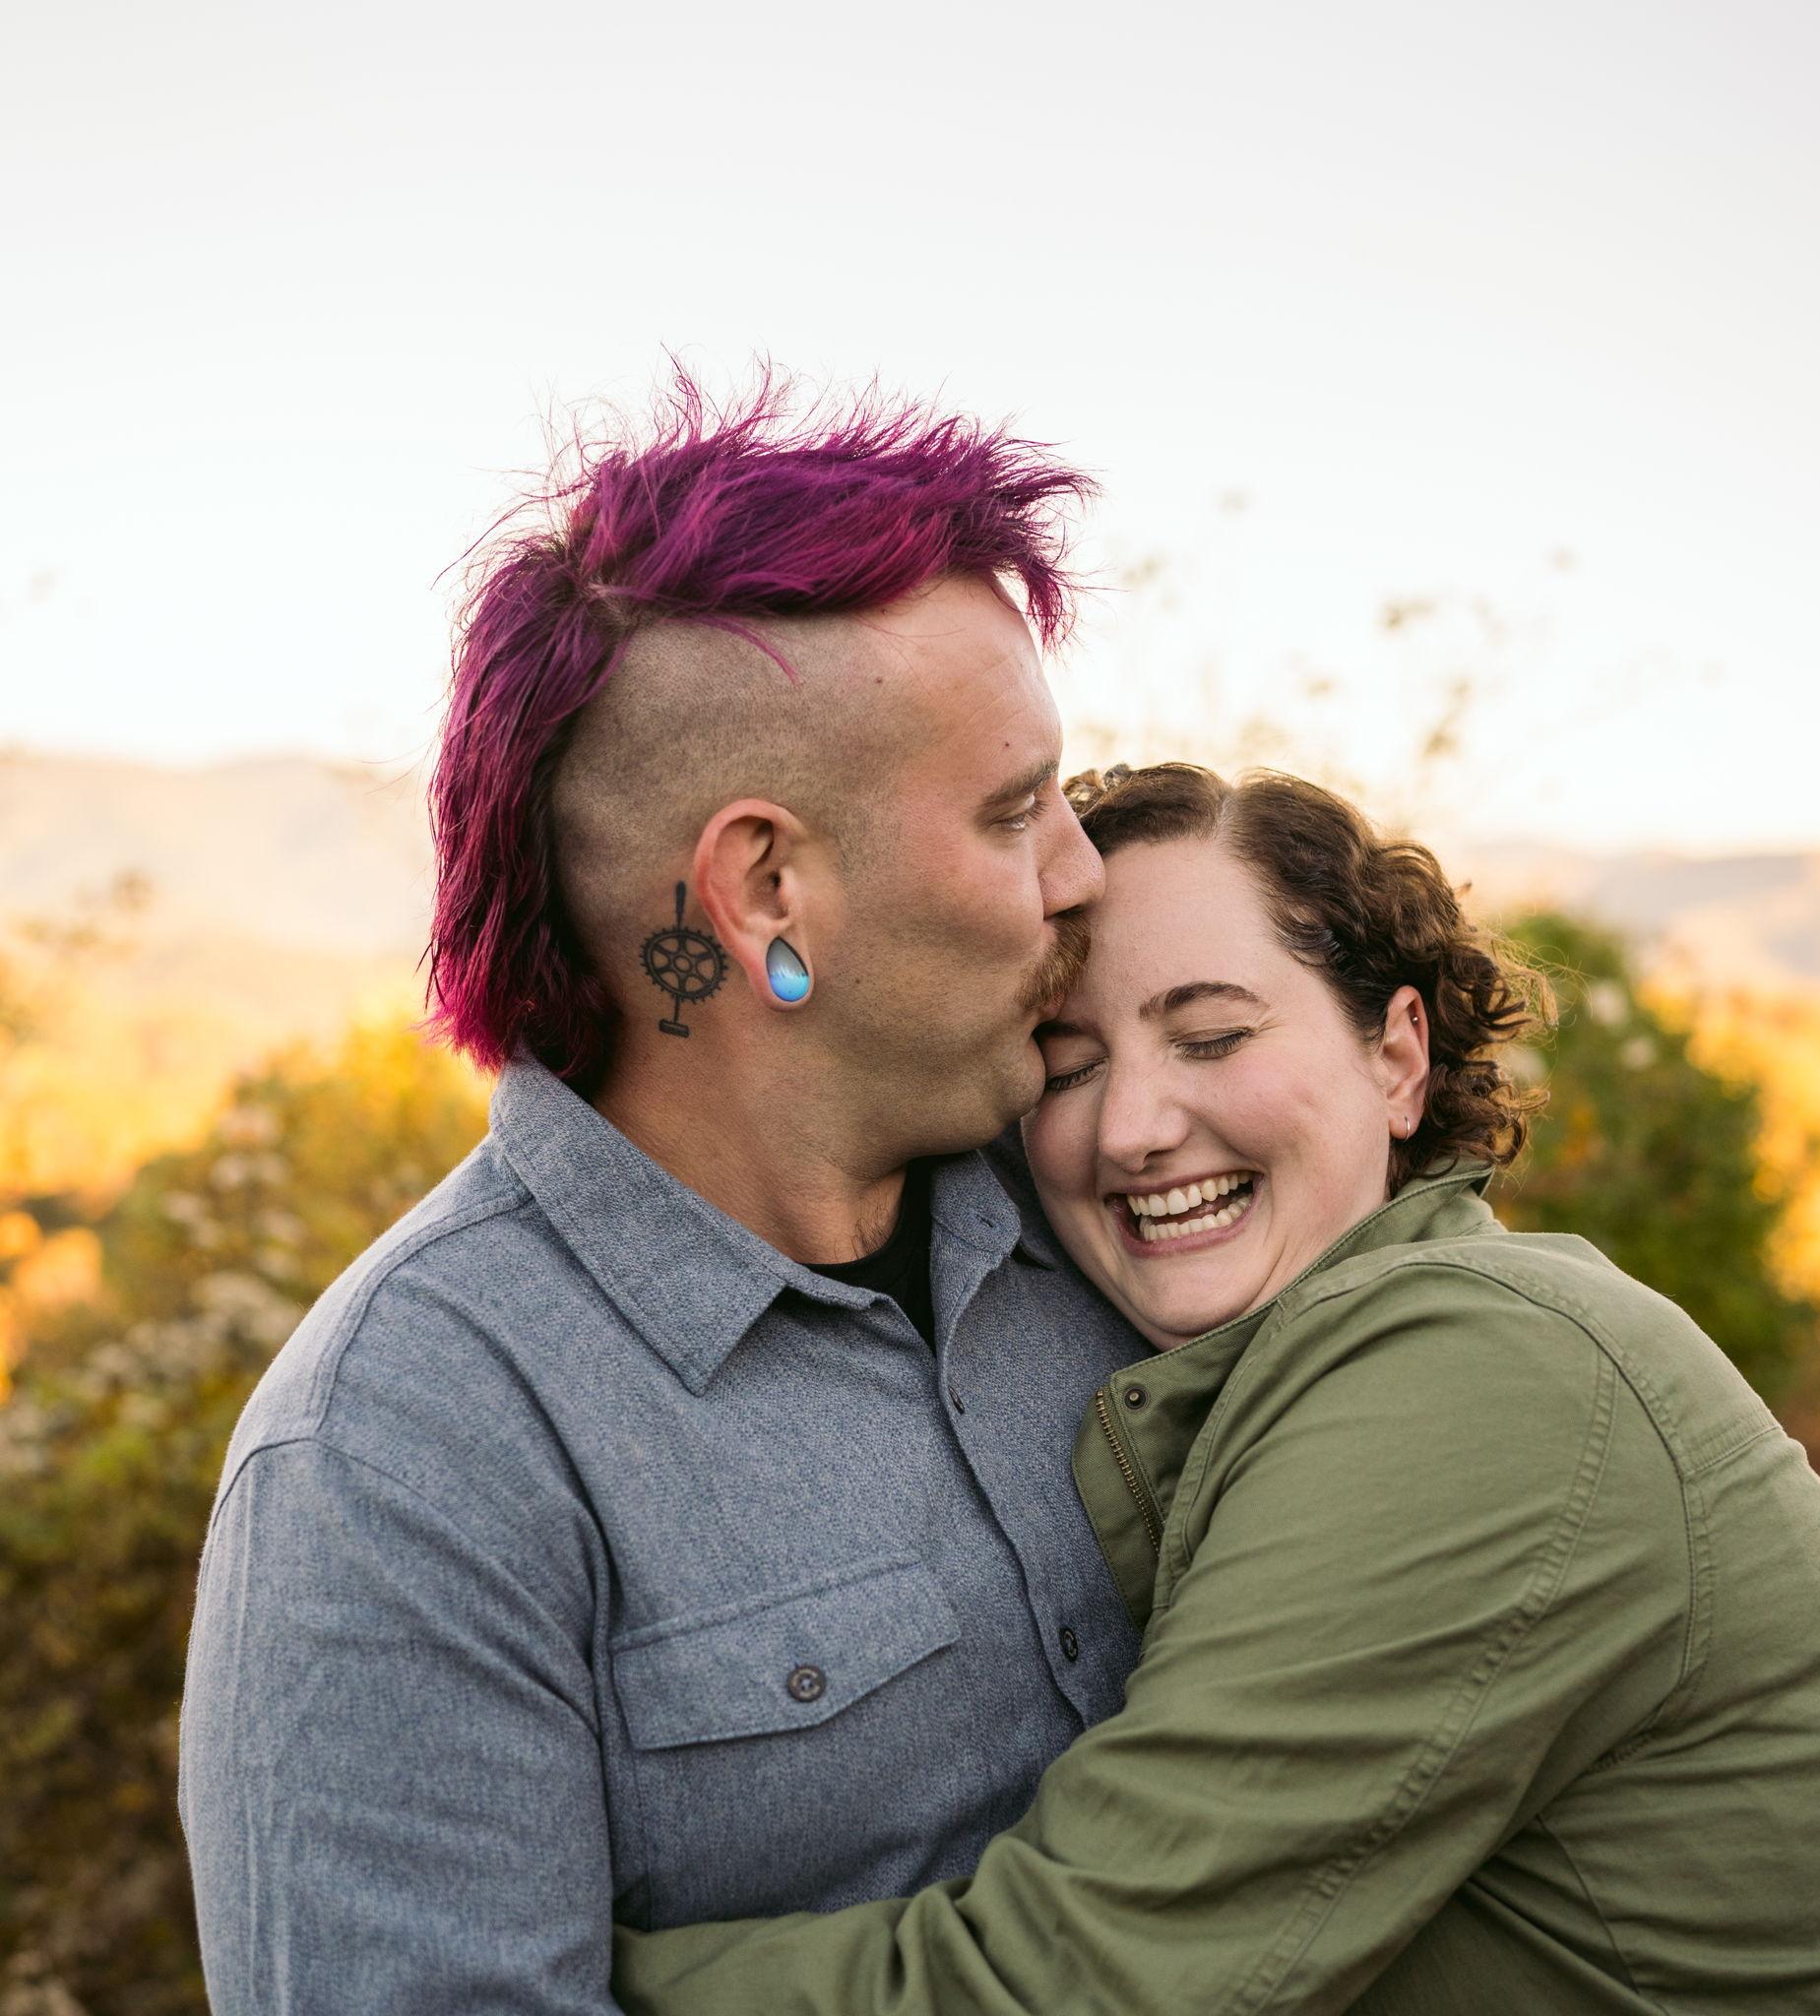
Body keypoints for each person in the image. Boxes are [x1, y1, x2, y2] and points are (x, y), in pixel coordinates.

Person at [612, 763, 1820, 2013]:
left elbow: (1088, 1981)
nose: (1133, 1128)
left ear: (1397, 1056)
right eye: (1071, 1064)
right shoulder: (1311, 1351)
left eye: (1214, 1035)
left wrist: (539, 1969)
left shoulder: (1475, 1374)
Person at [176, 376, 1155, 2012]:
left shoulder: (1124, 1199)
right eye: (1012, 812)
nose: (1082, 871)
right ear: (765, 890)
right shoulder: (398, 1463)